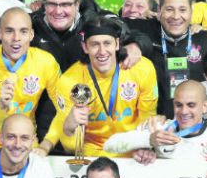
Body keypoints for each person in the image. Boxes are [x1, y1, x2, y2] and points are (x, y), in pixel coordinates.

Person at [0, 0, 150, 141]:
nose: (58, 11)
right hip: (41, 130)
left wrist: (135, 45)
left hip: (86, 127)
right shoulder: (27, 25)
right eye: (52, 4)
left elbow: (137, 35)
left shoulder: (93, 25)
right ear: (43, 4)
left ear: (77, 4)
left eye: (66, 5)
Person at [48, 17, 158, 157]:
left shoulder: (142, 68)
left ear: (117, 44)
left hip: (133, 153)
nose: (102, 51)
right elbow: (70, 149)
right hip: (92, 158)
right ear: (85, 47)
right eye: (95, 44)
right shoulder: (69, 81)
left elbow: (147, 119)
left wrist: (143, 147)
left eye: (107, 43)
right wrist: (69, 128)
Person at [126, 0, 207, 118]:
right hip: (151, 123)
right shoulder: (144, 29)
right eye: (169, 9)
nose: (176, 16)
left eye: (183, 10)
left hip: (194, 125)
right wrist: (134, 43)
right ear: (159, 11)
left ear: (191, 12)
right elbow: (105, 22)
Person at [0, 7, 61, 151]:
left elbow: (65, 110)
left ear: (31, 35)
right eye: (9, 31)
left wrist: (46, 145)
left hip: (26, 146)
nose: (16, 38)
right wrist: (2, 105)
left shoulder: (46, 61)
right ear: (0, 33)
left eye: (23, 31)